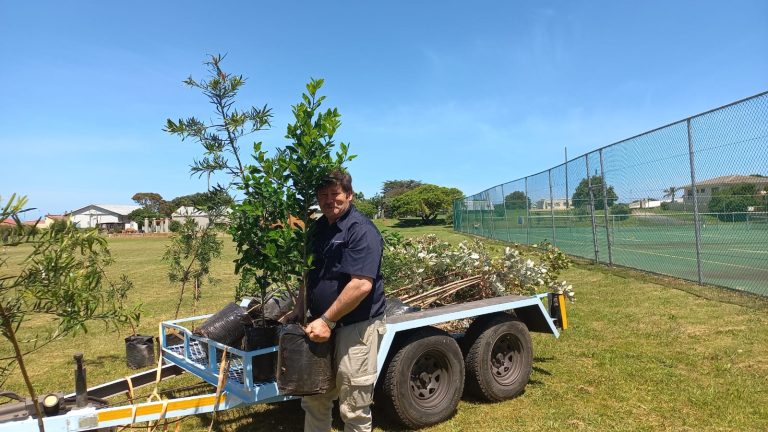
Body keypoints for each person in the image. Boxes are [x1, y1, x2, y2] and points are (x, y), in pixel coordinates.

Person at [299, 170, 386, 432]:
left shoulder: (360, 230)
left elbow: (361, 284)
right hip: (320, 325)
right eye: (323, 195)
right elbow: (309, 272)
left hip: (355, 328)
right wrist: (299, 308)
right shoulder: (318, 228)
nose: (329, 200)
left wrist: (327, 319)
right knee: (315, 396)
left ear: (349, 195)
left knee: (353, 404)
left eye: (335, 194)